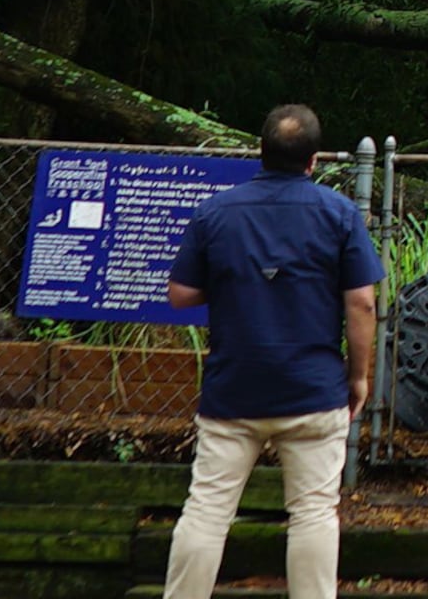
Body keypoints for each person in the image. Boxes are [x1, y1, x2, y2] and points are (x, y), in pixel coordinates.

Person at [161, 105, 384, 599]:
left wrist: (231, 279)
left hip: (232, 391)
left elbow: (180, 294)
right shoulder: (339, 213)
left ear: (260, 152)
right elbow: (362, 302)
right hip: (313, 390)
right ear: (314, 160)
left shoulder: (216, 212)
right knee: (313, 512)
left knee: (206, 510)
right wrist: (359, 377)